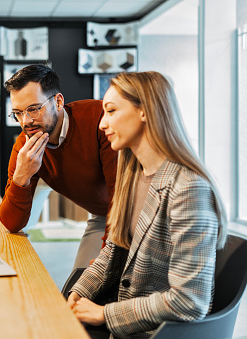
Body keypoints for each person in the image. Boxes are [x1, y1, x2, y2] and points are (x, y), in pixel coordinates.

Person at [66, 71, 228, 338]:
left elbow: (189, 301)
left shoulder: (188, 187)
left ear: (144, 111)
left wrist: (104, 314)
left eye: (111, 111)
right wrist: (79, 292)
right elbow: (114, 248)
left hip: (157, 332)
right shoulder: (131, 172)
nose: (101, 124)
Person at [0, 64, 118, 269]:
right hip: (102, 215)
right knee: (76, 288)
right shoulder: (25, 145)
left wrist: (106, 262)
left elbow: (121, 200)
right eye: (17, 113)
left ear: (58, 101)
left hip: (132, 211)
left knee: (99, 286)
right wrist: (21, 177)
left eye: (34, 109)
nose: (26, 121)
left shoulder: (100, 121)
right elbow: (12, 223)